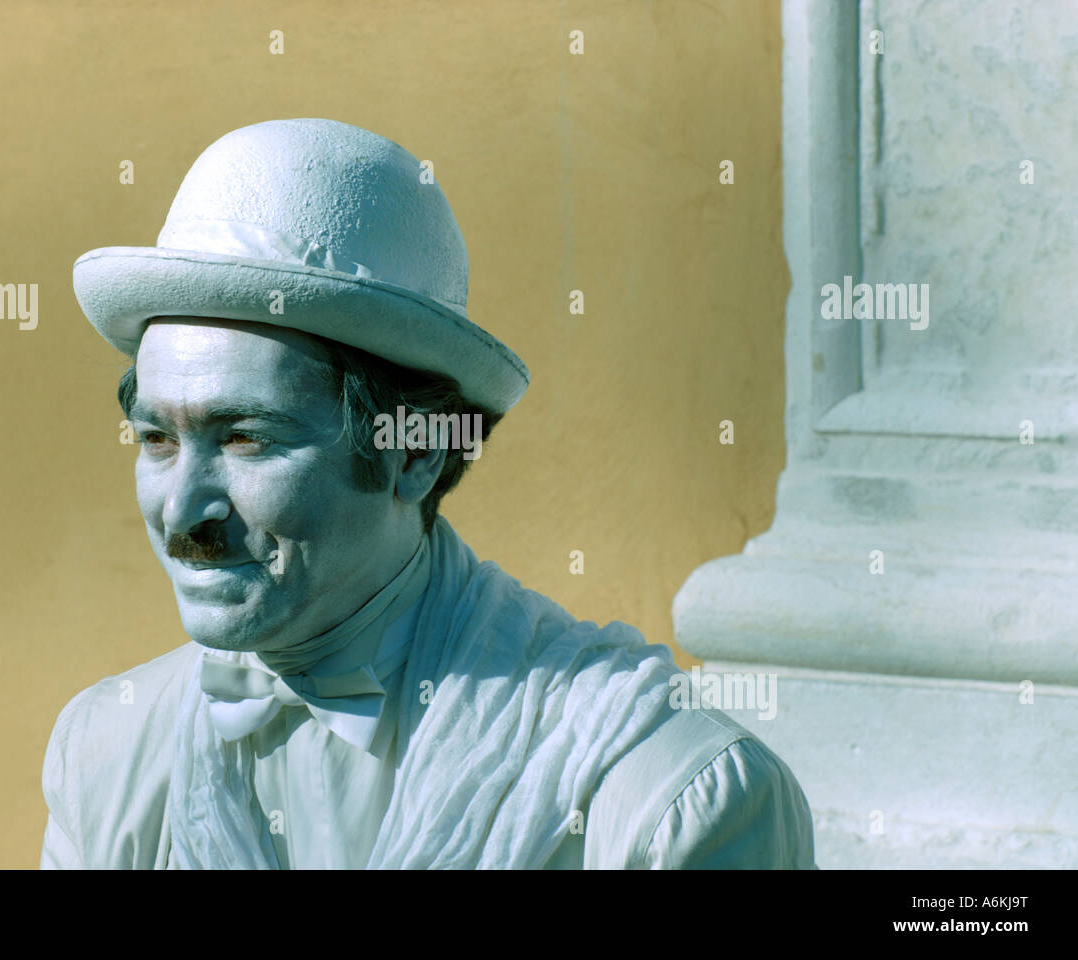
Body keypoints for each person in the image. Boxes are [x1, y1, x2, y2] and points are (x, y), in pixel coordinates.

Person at [40, 117, 815, 869]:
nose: (183, 513)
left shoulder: (662, 799)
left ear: (415, 451)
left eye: (247, 438)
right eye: (157, 440)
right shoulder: (101, 758)